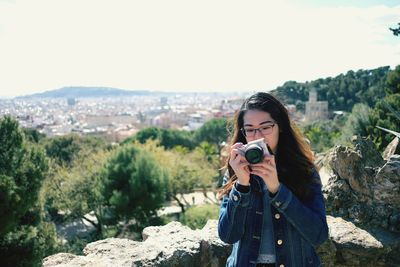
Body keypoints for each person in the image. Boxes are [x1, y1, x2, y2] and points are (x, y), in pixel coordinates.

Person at [218, 92, 328, 267]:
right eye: (250, 129)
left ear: (280, 127)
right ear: (243, 132)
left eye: (265, 127)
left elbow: (318, 235)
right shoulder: (236, 170)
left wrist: (277, 189)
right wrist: (242, 186)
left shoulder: (303, 170)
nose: (258, 136)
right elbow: (228, 235)